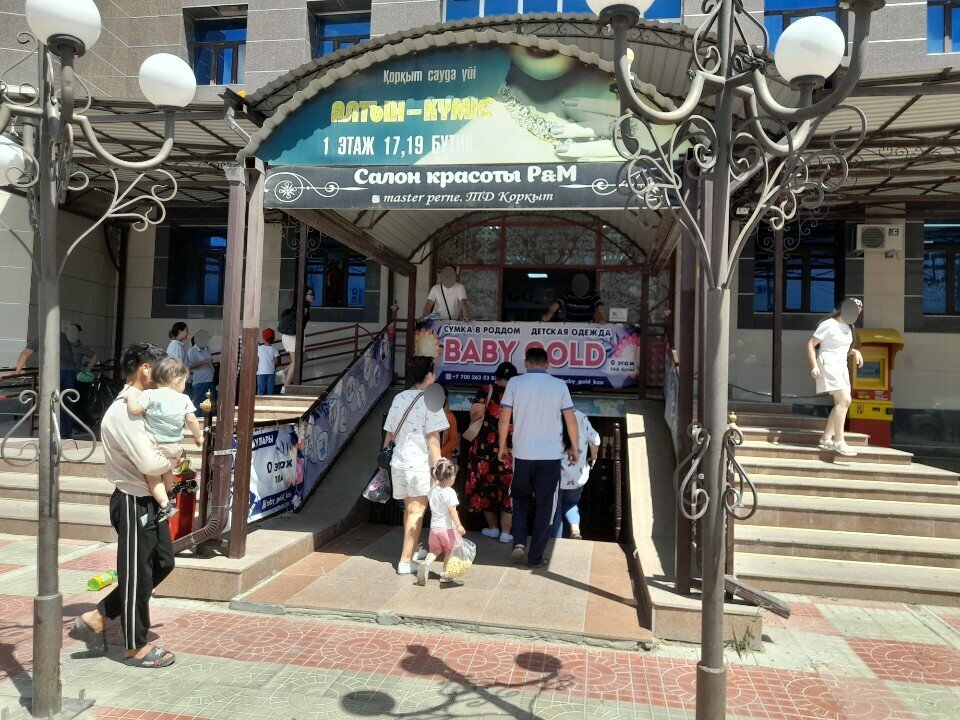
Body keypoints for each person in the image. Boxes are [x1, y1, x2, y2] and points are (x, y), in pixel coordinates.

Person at [70, 343, 177, 668]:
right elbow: (149, 461)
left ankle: (97, 617)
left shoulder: (141, 406)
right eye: (159, 369)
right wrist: (174, 456)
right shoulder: (124, 412)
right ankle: (135, 648)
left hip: (147, 500)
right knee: (137, 575)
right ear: (145, 368)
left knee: (163, 563)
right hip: (132, 501)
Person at [498, 347, 579, 568]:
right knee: (546, 507)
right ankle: (535, 557)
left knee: (519, 499)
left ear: (526, 363)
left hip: (522, 455)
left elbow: (504, 417)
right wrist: (574, 447)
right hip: (550, 457)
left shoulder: (515, 383)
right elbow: (571, 420)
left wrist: (502, 445)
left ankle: (519, 541)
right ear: (547, 364)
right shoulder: (559, 385)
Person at [382, 355, 449, 575]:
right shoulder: (432, 399)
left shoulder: (399, 397)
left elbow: (389, 433)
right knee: (417, 511)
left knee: (409, 509)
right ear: (429, 375)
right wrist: (439, 468)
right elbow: (433, 439)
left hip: (398, 462)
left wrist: (384, 458)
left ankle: (413, 551)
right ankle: (405, 561)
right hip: (418, 464)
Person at [123, 357, 203, 520]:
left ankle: (165, 504)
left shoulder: (149, 394)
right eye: (184, 381)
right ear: (178, 380)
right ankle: (170, 492)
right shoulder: (184, 399)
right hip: (175, 447)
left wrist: (130, 398)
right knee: (167, 469)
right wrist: (199, 436)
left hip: (155, 447)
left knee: (153, 477)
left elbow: (135, 409)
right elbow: (191, 420)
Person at [465, 362, 518, 544]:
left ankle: (493, 528)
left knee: (486, 489)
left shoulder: (486, 390)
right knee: (508, 490)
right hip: (509, 451)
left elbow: (475, 414)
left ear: (496, 376)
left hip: (484, 451)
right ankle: (506, 532)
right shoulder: (518, 394)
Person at [807, 299, 864, 457]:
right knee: (844, 400)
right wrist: (814, 366)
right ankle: (839, 440)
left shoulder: (848, 327)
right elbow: (811, 344)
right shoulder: (829, 324)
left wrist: (855, 352)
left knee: (842, 402)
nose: (856, 315)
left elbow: (841, 348)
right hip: (828, 363)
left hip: (841, 366)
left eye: (858, 313)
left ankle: (826, 438)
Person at [15, 329, 81, 438]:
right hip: (70, 371)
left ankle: (57, 432)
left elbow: (26, 353)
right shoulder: (63, 335)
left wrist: (17, 371)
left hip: (55, 372)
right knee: (67, 402)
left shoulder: (43, 335)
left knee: (52, 401)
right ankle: (66, 433)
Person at [416, 458, 466, 586]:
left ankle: (426, 563)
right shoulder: (450, 493)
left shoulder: (432, 490)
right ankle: (445, 574)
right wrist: (459, 525)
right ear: (451, 478)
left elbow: (436, 480)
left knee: (434, 550)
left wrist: (440, 465)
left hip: (434, 528)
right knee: (450, 550)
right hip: (448, 528)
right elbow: (452, 510)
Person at [552, 409, 601, 539]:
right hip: (577, 476)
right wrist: (593, 457)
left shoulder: (551, 416)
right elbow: (595, 440)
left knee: (555, 509)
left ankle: (557, 540)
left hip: (555, 476)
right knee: (571, 504)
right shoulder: (581, 416)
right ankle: (575, 529)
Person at [278, 286, 315, 388]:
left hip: (289, 335)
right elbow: (300, 322)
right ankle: (286, 386)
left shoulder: (298, 305)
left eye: (313, 294)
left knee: (304, 357)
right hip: (293, 336)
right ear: (304, 295)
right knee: (296, 361)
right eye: (310, 294)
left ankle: (284, 373)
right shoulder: (304, 306)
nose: (313, 296)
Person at [186, 330, 215, 415]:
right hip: (200, 381)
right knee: (198, 404)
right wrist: (204, 362)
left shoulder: (206, 348)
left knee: (210, 406)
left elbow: (209, 361)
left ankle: (208, 421)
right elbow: (189, 367)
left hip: (210, 379)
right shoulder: (192, 350)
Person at [439, 384, 460, 460]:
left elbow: (453, 439)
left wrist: (440, 452)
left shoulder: (450, 417)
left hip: (443, 459)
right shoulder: (425, 414)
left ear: (445, 398)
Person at [257, 328, 280, 395]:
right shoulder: (275, 350)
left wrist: (258, 366)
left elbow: (257, 359)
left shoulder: (259, 348)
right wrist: (274, 368)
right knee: (270, 391)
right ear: (273, 338)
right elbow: (277, 362)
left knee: (261, 390)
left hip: (261, 372)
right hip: (271, 372)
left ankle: (259, 401)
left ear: (263, 338)